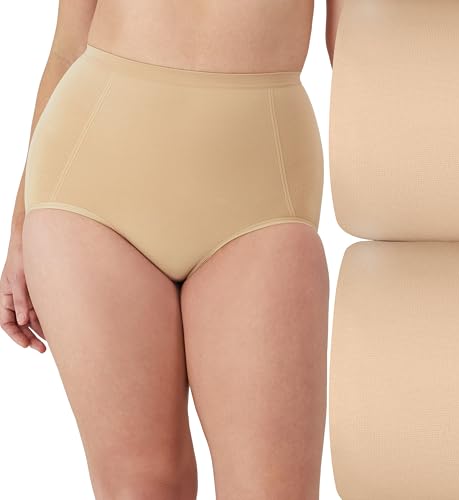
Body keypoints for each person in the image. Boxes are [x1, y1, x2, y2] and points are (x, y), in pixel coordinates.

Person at [0, 1, 339, 498]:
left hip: (260, 195)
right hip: (90, 184)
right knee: (144, 485)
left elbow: (355, 58)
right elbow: (67, 46)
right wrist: (19, 228)